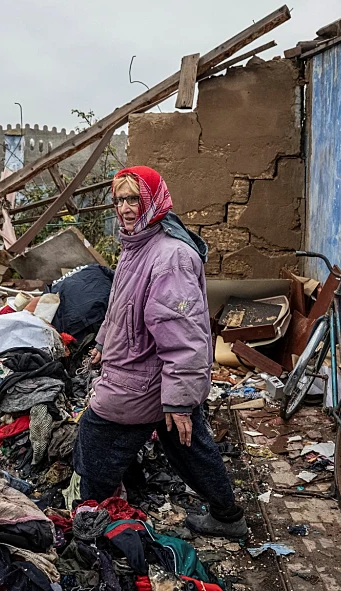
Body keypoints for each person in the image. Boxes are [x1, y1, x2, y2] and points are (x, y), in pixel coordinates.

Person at [73, 165, 247, 539]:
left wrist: (180, 400)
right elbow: (122, 305)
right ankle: (228, 516)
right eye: (119, 200)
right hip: (149, 375)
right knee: (189, 446)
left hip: (143, 379)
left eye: (134, 198)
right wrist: (104, 342)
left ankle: (95, 517)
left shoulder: (169, 257)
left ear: (153, 200)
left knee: (95, 439)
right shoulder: (137, 246)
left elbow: (185, 335)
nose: (125, 208)